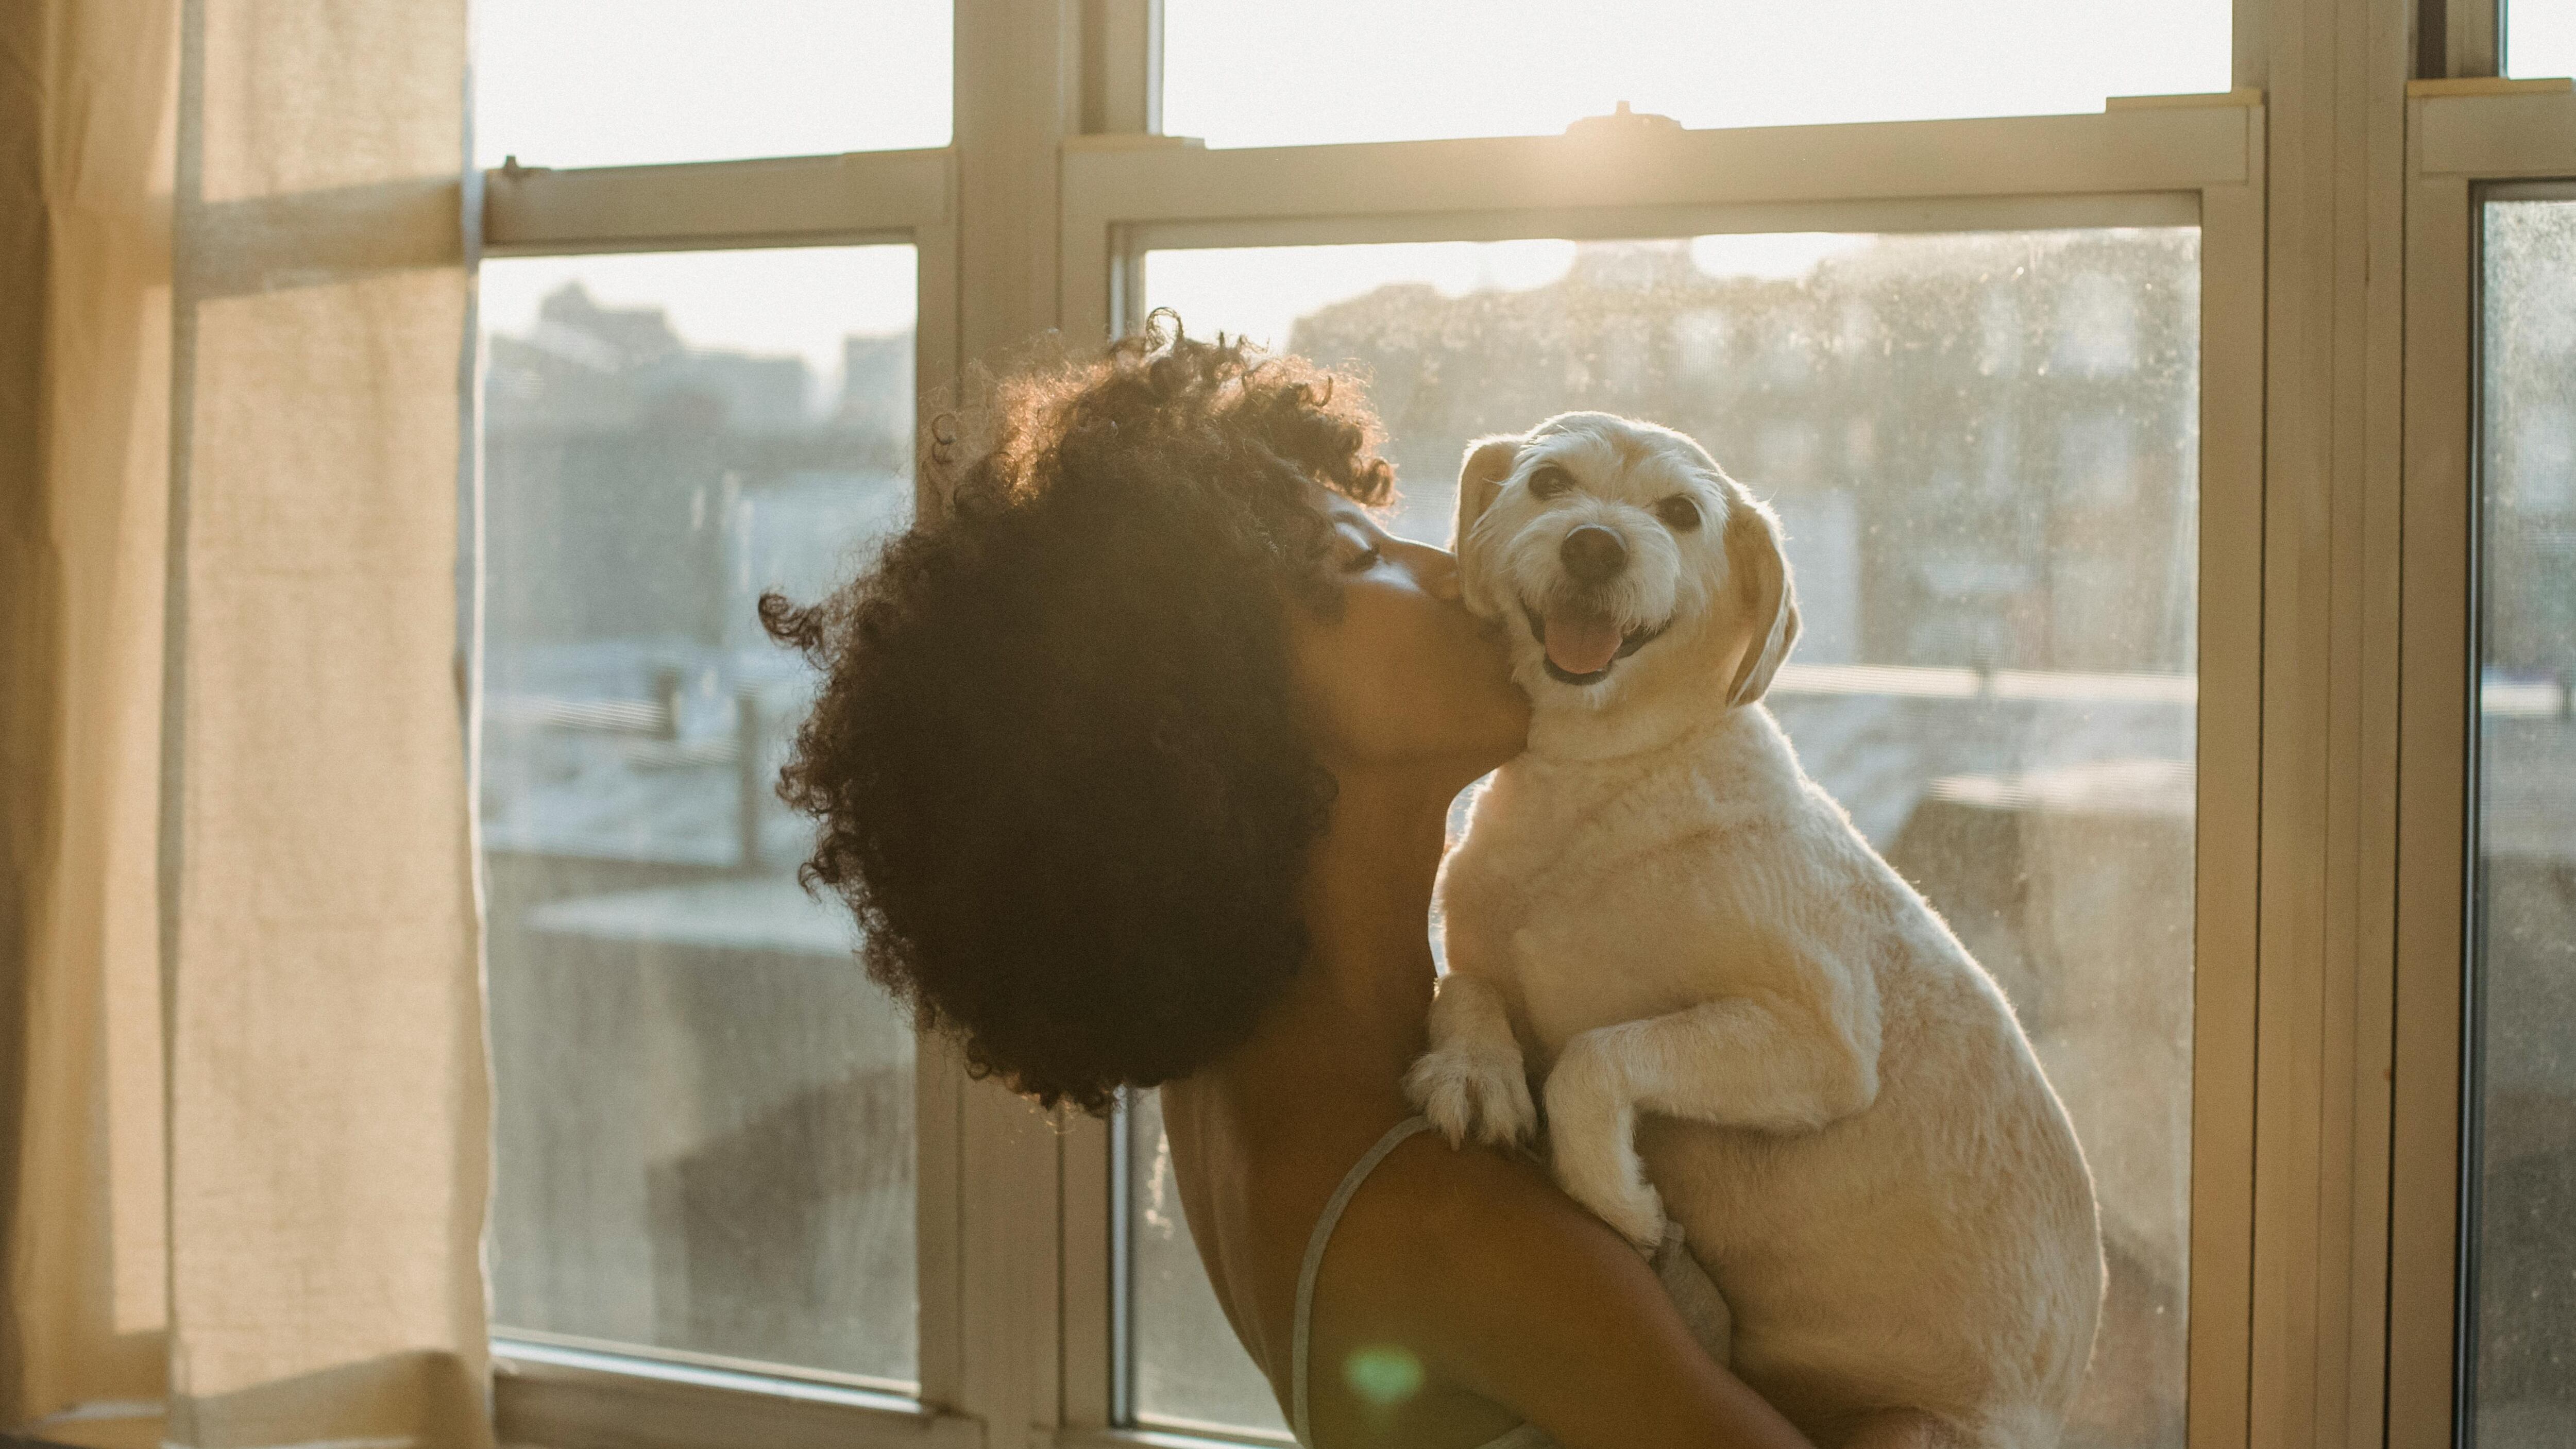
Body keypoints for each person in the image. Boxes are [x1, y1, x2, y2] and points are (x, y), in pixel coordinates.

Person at [765, 320, 1814, 1449]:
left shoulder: (1238, 1083)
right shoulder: (1455, 1227)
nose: (1451, 571)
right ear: (1222, 714)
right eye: (1363, 560)